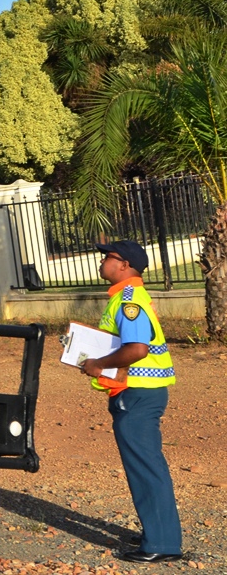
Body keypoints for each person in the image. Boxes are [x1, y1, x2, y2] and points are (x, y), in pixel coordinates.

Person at [79, 240, 182, 564]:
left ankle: (163, 543)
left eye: (106, 257)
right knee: (146, 465)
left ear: (124, 265)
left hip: (137, 394)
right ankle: (160, 533)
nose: (101, 261)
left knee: (146, 467)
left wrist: (98, 364)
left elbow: (137, 349)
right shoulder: (127, 298)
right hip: (139, 392)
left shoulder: (128, 301)